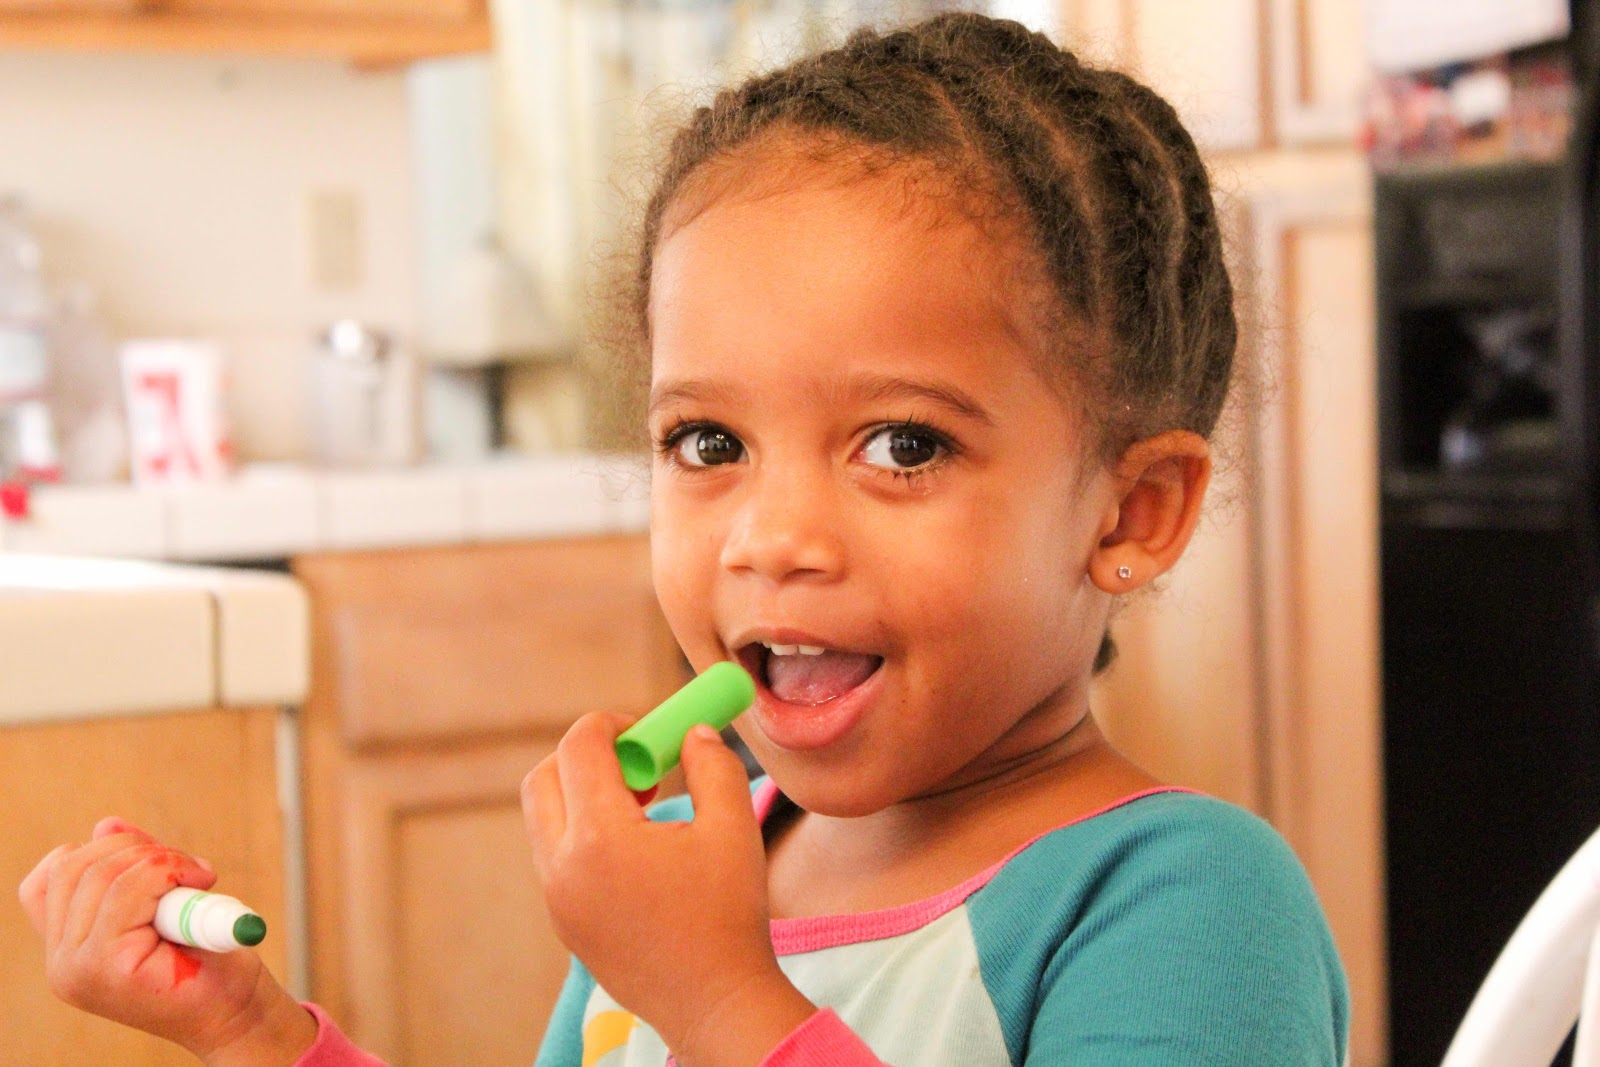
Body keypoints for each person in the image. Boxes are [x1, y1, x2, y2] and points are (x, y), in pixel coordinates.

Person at [18, 11, 1349, 1066]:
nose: (772, 537)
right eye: (709, 444)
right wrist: (252, 1033)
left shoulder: (1184, 901)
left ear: (1131, 512)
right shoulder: (680, 866)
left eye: (902, 446)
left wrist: (716, 997)